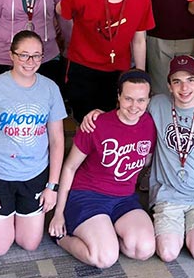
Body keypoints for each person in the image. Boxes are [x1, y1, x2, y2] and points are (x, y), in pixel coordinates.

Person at [78, 55, 194, 262]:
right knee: (167, 253)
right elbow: (129, 108)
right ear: (168, 85)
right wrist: (98, 114)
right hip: (168, 195)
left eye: (190, 80)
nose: (184, 88)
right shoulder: (156, 104)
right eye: (177, 81)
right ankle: (177, 231)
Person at [0, 31, 66, 256]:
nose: (30, 62)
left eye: (36, 56)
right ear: (11, 55)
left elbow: (57, 140)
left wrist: (52, 187)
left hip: (34, 175)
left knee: (29, 243)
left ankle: (8, 217)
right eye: (23, 55)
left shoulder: (50, 88)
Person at [48, 70, 157, 269]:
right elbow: (70, 167)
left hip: (124, 199)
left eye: (141, 100)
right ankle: (62, 239)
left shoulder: (150, 124)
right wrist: (59, 213)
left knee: (144, 250)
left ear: (149, 100)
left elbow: (147, 160)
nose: (134, 106)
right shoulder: (96, 124)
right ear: (118, 97)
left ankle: (106, 231)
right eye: (128, 99)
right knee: (104, 258)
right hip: (88, 196)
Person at [56, 0, 155, 120]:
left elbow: (139, 40)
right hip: (83, 68)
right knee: (85, 125)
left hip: (118, 70)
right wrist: (75, 34)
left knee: (113, 121)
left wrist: (140, 76)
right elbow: (60, 9)